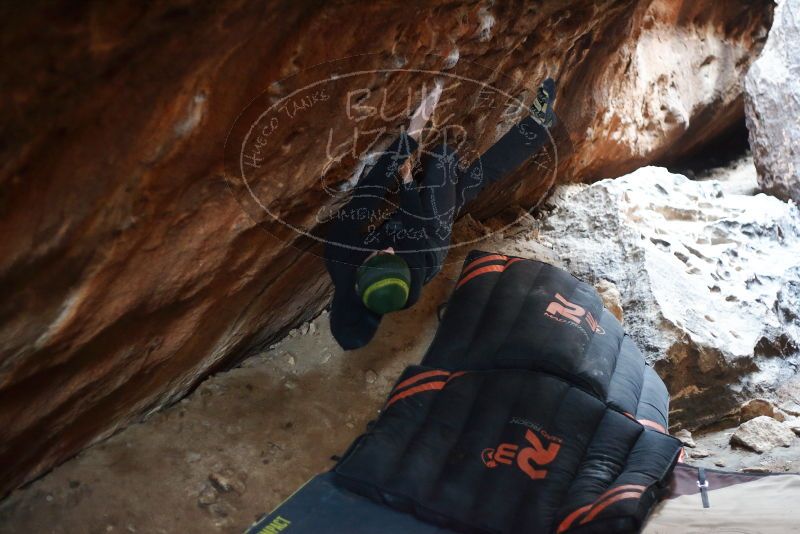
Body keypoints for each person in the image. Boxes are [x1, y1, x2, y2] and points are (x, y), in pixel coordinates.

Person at [325, 78, 557, 350]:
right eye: (392, 257)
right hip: (429, 240)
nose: (388, 249)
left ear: (359, 273)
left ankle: (537, 126)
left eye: (380, 256)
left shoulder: (339, 251)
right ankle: (536, 127)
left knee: (469, 183)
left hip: (402, 232)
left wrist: (414, 130)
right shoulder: (406, 284)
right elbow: (418, 224)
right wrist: (409, 184)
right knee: (443, 160)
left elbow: (371, 190)